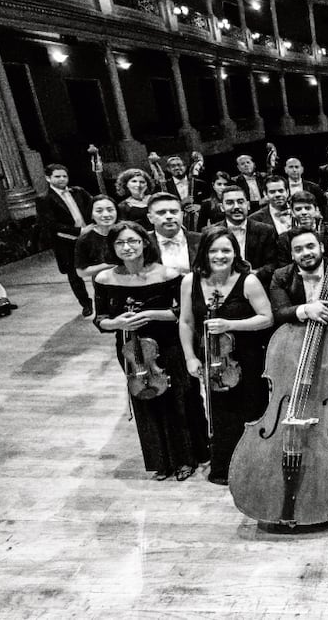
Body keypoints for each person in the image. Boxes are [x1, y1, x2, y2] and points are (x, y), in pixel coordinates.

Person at [93, 222, 200, 481]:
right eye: (120, 243)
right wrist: (116, 323)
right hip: (131, 348)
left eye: (133, 241)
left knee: (177, 401)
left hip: (168, 344)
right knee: (145, 400)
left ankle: (185, 459)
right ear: (112, 247)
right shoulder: (105, 278)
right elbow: (101, 319)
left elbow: (182, 313)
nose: (127, 247)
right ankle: (160, 461)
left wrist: (151, 314)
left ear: (144, 243)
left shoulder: (167, 274)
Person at [178, 228, 273, 485]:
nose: (220, 255)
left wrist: (230, 325)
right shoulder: (190, 282)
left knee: (251, 411)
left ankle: (254, 467)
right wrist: (190, 357)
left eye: (226, 250)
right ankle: (225, 468)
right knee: (220, 414)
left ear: (235, 253)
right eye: (214, 250)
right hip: (213, 359)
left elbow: (266, 318)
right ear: (204, 253)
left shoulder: (248, 281)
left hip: (247, 358)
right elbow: (186, 322)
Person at [37, 163, 94, 315]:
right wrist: (79, 230)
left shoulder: (79, 191)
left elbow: (94, 206)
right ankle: (86, 303)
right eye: (57, 176)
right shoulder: (44, 199)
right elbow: (51, 224)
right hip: (66, 242)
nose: (62, 179)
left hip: (89, 237)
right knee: (74, 275)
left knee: (98, 268)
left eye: (64, 176)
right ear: (48, 178)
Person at [213, 186, 279, 285]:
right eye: (230, 203)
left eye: (240, 202)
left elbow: (274, 264)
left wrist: (254, 275)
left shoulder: (266, 231)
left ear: (248, 205)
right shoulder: (212, 233)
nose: (236, 207)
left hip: (258, 285)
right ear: (222, 207)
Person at [147, 193, 200, 274]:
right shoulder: (144, 244)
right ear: (150, 218)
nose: (169, 216)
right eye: (161, 212)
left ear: (182, 215)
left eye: (173, 212)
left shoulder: (201, 240)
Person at [75, 195, 118, 280]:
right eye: (99, 211)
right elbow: (81, 272)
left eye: (110, 210)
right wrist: (109, 265)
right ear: (91, 215)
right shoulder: (85, 239)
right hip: (104, 285)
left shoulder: (127, 231)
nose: (106, 214)